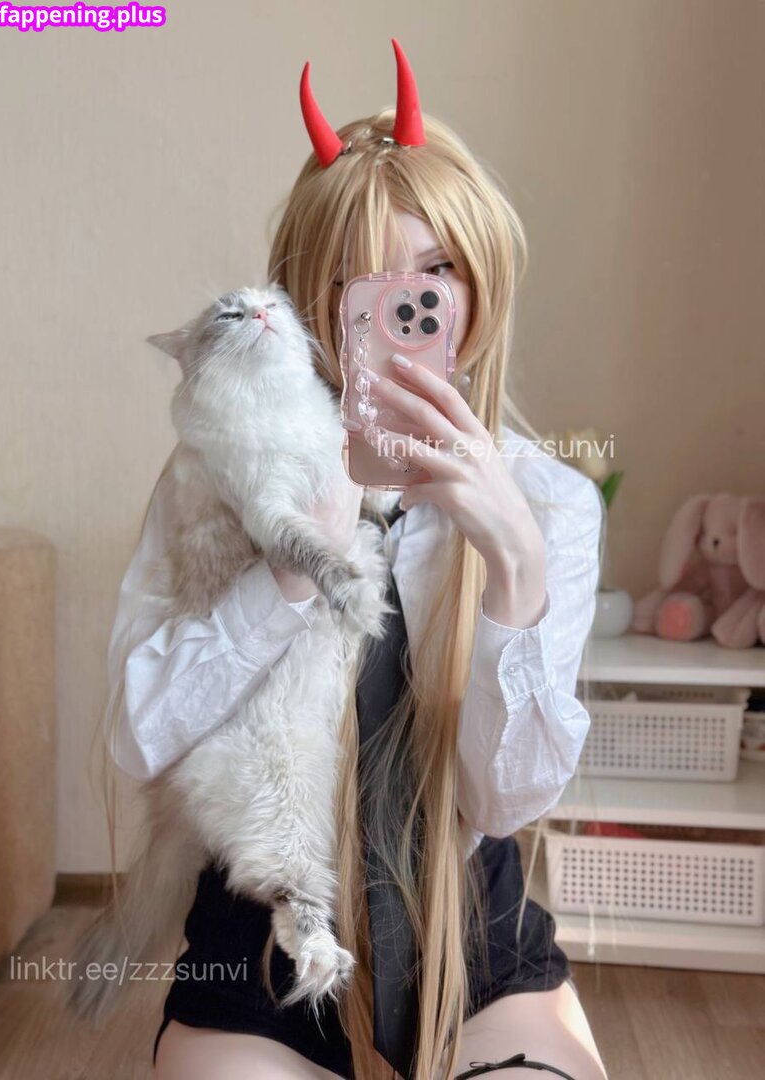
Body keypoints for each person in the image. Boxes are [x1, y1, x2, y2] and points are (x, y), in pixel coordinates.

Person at [104, 38, 609, 1080]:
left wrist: (513, 564)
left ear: (479, 285)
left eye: (435, 273)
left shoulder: (547, 502)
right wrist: (292, 573)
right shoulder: (216, 483)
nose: (402, 310)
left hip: (470, 929)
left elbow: (504, 804)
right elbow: (135, 737)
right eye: (357, 283)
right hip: (263, 934)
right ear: (307, 300)